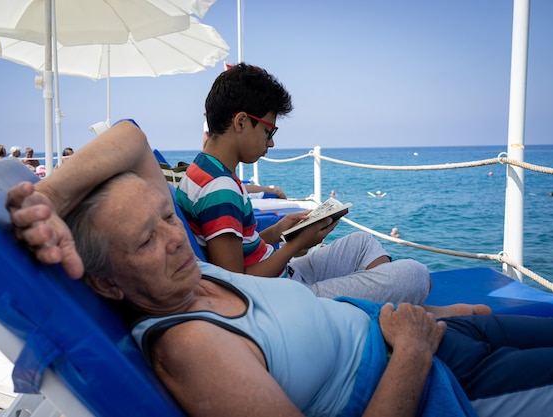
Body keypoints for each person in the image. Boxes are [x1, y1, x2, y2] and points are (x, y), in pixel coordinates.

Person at [6, 120, 553, 417]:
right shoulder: (190, 348)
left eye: (167, 218)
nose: (176, 240)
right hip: (431, 372)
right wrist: (415, 352)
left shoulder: (189, 276)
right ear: (107, 281)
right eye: (146, 240)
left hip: (419, 330)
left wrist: (49, 199)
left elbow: (132, 139)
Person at [175, 64, 454, 311]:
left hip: (282, 275)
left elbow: (238, 245)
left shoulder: (202, 169)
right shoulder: (220, 189)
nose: (270, 143)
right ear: (241, 122)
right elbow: (236, 286)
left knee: (361, 243)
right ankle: (392, 313)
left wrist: (278, 231)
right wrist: (296, 245)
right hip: (285, 297)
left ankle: (383, 307)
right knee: (415, 274)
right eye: (268, 132)